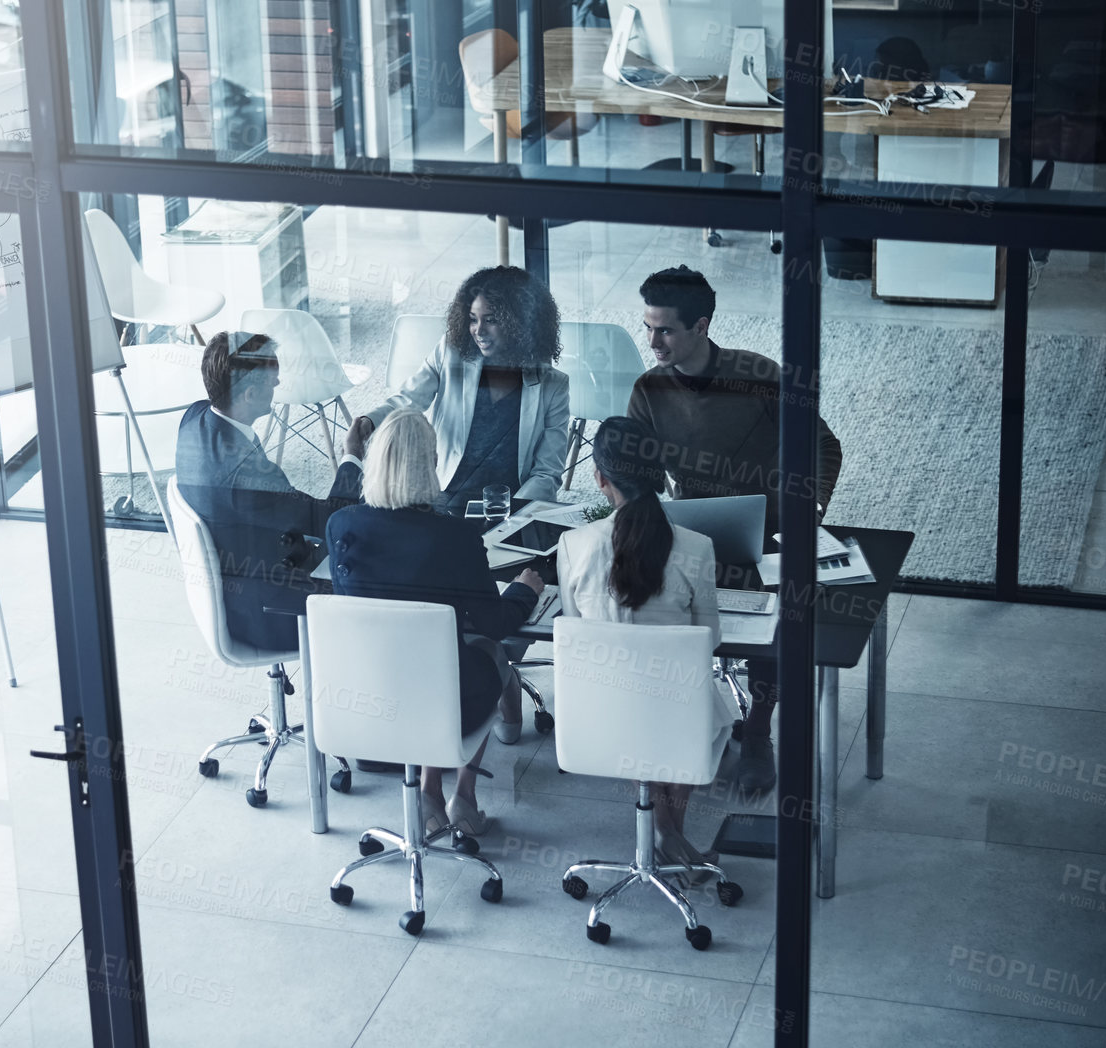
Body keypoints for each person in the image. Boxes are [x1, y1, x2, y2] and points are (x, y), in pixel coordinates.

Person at [628, 265, 843, 793]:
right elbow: (633, 470)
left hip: (767, 530)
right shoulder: (649, 389)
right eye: (647, 327)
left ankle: (757, 735)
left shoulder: (758, 376)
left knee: (767, 634)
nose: (653, 341)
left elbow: (823, 446)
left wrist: (807, 512)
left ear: (701, 326)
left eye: (665, 330)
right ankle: (674, 726)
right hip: (687, 530)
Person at [324, 409, 543, 836]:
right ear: (430, 464)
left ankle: (427, 792)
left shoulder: (341, 526)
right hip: (439, 702)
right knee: (490, 653)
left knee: (429, 666)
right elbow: (494, 623)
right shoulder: (454, 538)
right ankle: (463, 795)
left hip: (365, 696)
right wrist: (524, 590)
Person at [554, 416, 737, 879]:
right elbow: (710, 642)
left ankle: (663, 832)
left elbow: (578, 636)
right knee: (691, 706)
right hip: (673, 714)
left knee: (644, 699)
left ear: (599, 478)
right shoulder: (696, 547)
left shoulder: (573, 545)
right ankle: (670, 831)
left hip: (597, 715)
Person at [175, 331, 370, 652]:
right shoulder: (246, 479)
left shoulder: (195, 417)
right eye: (271, 381)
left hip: (244, 579)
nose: (277, 386)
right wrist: (352, 456)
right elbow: (332, 519)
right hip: (271, 615)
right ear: (249, 394)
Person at [352, 266, 570, 514]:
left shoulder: (553, 387)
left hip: (509, 506)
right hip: (446, 497)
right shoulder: (450, 354)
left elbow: (547, 473)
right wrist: (369, 422)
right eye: (473, 319)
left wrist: (513, 516)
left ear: (518, 324)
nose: (479, 330)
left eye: (491, 320)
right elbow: (408, 400)